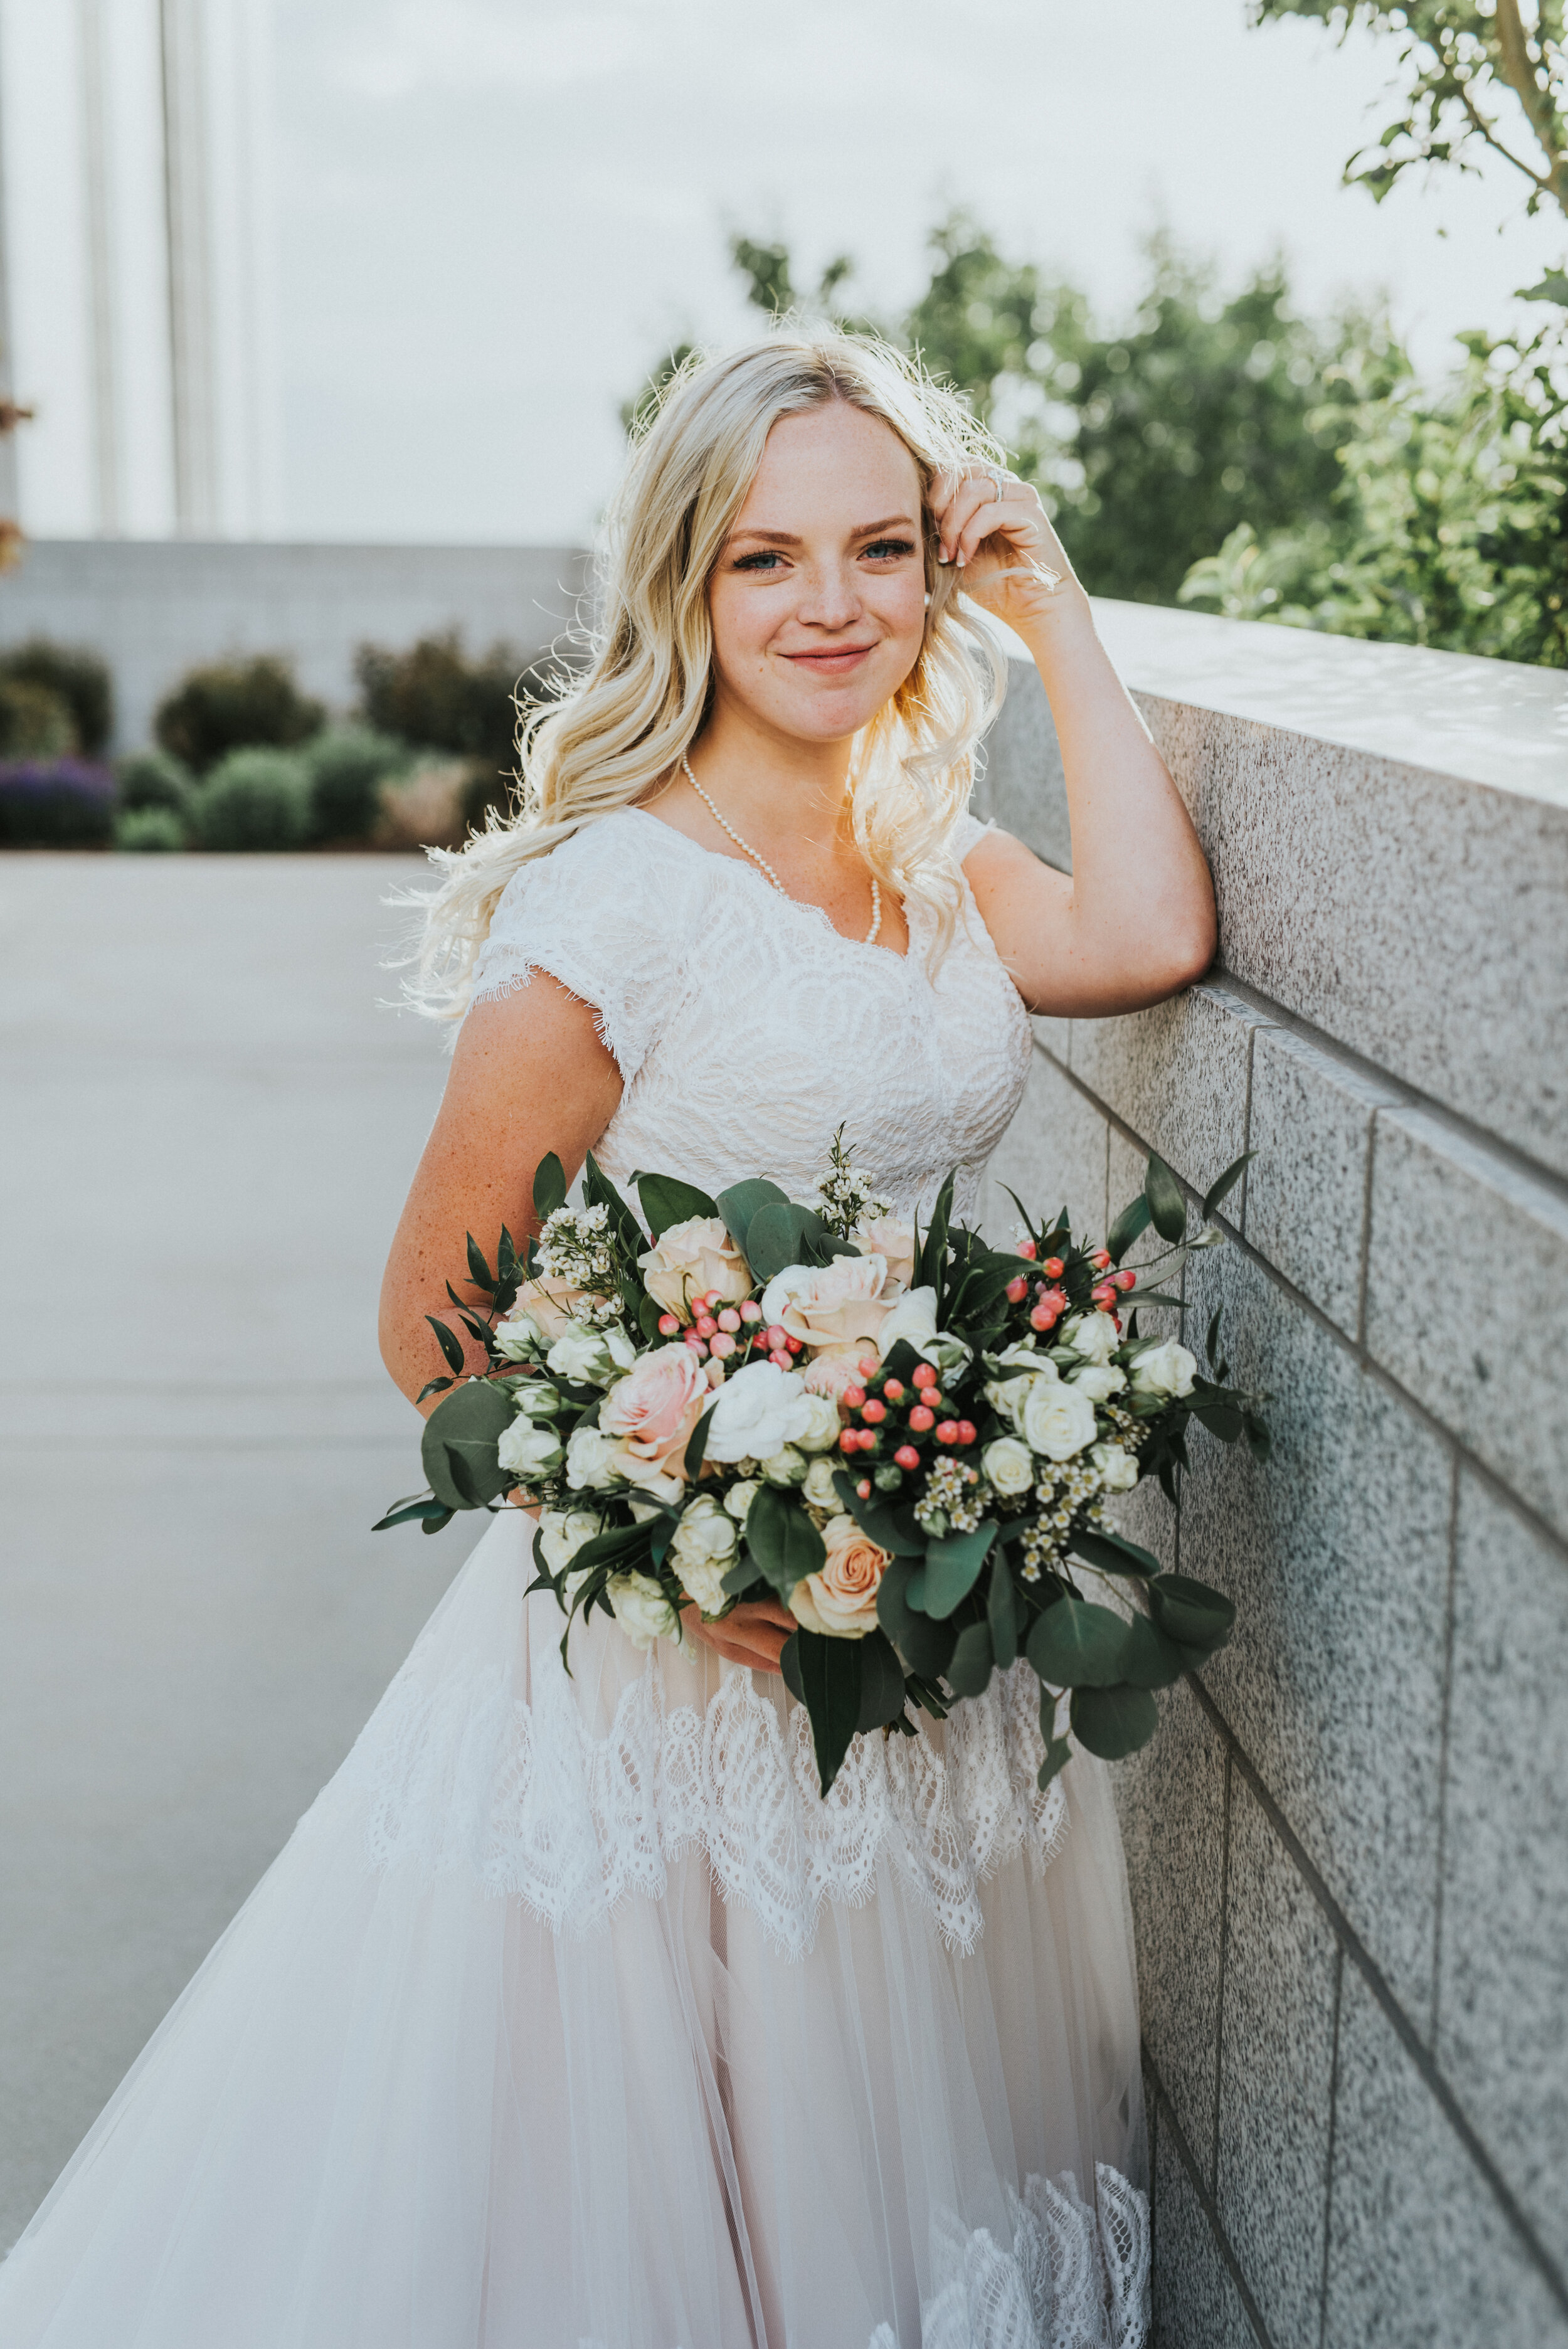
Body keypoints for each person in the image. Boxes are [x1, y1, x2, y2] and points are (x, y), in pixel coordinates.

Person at [0, 332, 1214, 2349]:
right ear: (684, 584)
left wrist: (1055, 604)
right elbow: (430, 1327)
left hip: (912, 1635)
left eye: (882, 548)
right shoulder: (621, 902)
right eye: (765, 559)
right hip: (671, 1676)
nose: (831, 603)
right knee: (665, 2195)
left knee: (868, 2178)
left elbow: (1155, 933)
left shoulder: (935, 859)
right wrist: (697, 1546)